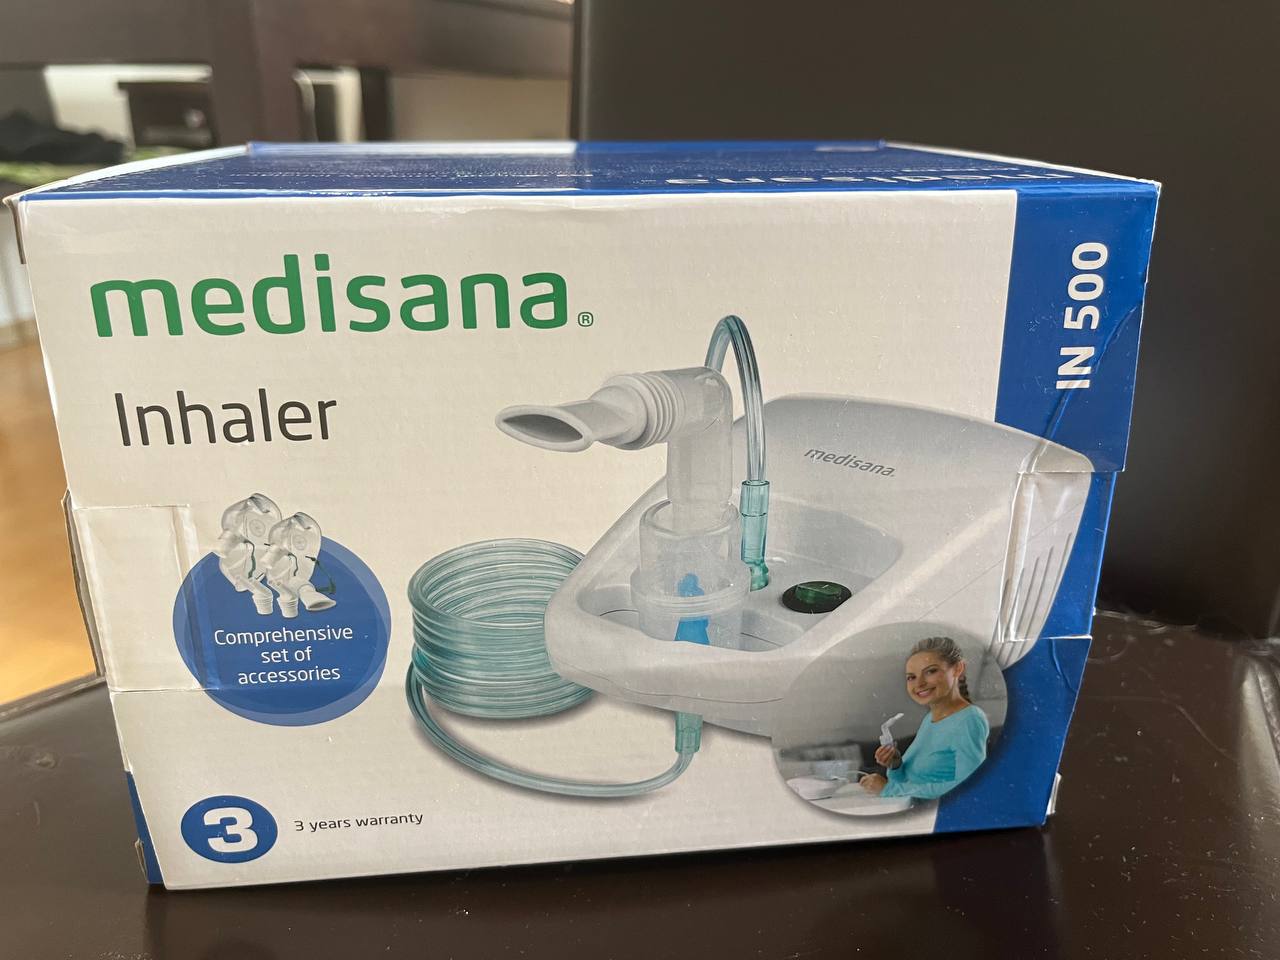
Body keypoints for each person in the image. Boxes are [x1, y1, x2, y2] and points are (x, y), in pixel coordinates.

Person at [861, 636, 989, 800]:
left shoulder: (969, 719)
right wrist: (895, 764)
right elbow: (909, 782)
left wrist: (889, 789)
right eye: (911, 677)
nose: (919, 684)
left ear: (958, 668)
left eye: (930, 671)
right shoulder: (930, 719)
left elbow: (970, 787)